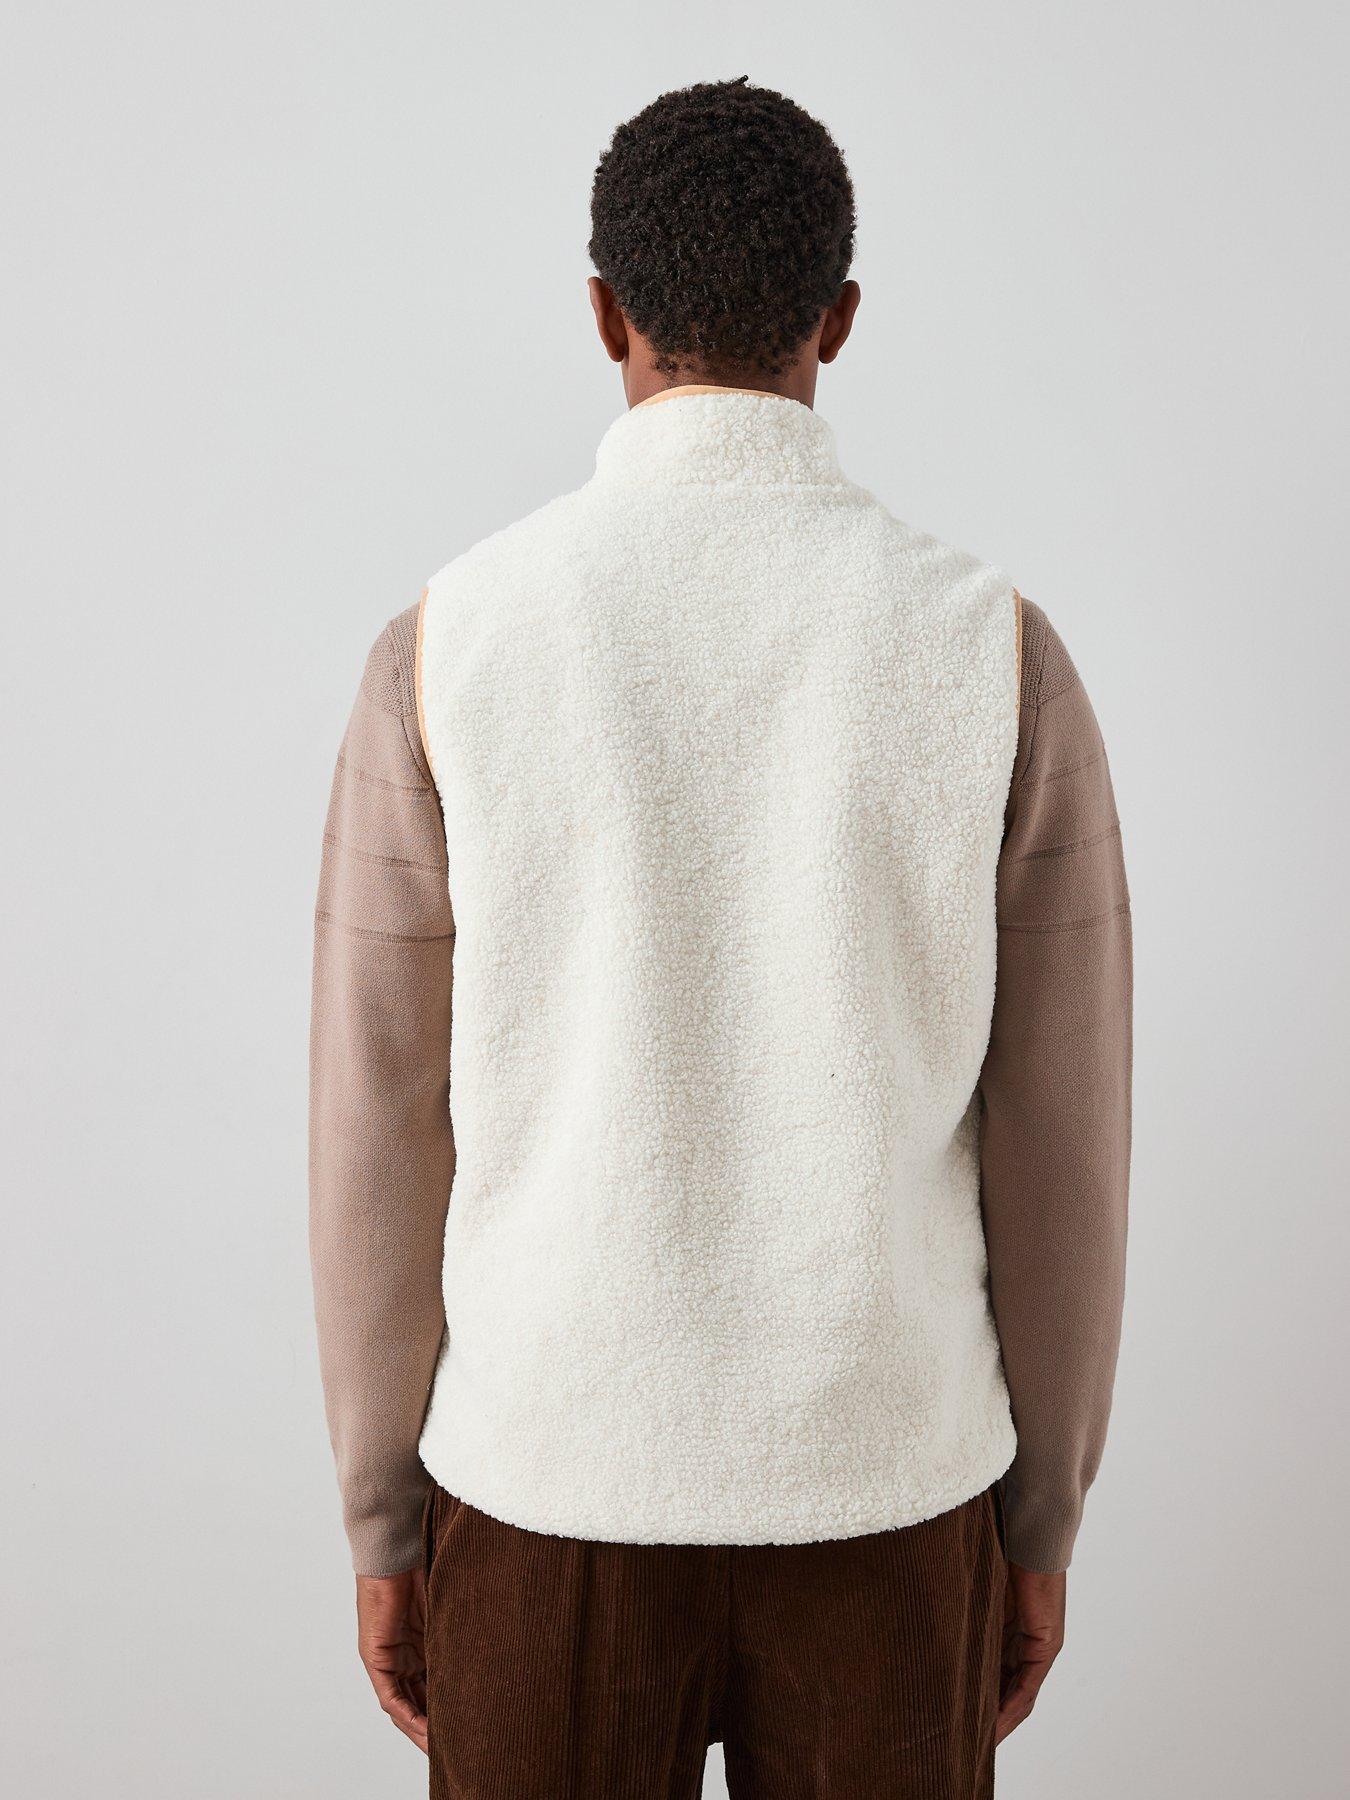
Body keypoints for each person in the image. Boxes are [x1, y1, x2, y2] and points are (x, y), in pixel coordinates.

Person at [310, 76, 1130, 1799]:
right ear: (839, 318)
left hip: (543, 1476)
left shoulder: (451, 642)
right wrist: (1040, 1513)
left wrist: (385, 1514)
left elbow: (377, 1119)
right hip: (886, 1481)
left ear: (604, 313)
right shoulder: (991, 650)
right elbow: (1062, 1133)